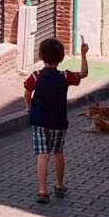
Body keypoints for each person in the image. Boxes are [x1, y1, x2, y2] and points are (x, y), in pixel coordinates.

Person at [23, 37, 87, 205]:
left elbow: (27, 93)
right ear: (61, 57)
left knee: (42, 155)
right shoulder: (65, 76)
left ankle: (42, 191)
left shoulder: (35, 76)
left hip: (39, 121)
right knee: (58, 152)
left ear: (40, 55)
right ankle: (59, 185)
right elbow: (84, 74)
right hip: (59, 121)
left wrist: (29, 107)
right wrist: (83, 54)